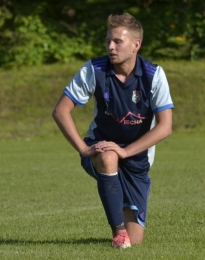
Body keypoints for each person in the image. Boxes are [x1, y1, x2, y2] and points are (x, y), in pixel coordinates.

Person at [52, 13, 174, 248]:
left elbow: (165, 127)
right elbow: (61, 111)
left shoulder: (153, 75)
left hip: (137, 159)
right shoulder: (94, 70)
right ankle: (117, 232)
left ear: (136, 44)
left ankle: (126, 230)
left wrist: (126, 152)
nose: (110, 46)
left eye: (118, 41)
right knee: (109, 156)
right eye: (108, 40)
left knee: (136, 242)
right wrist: (84, 148)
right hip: (102, 148)